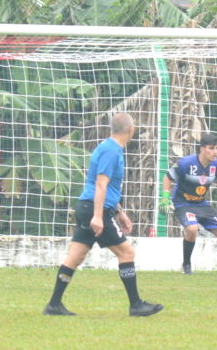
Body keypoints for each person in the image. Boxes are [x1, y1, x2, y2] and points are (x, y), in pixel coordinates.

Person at [43, 113, 163, 317]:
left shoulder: (106, 147)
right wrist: (98, 216)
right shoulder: (111, 151)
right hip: (94, 209)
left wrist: (120, 213)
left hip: (87, 207)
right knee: (127, 253)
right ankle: (136, 305)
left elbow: (107, 188)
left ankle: (54, 304)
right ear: (130, 130)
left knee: (75, 256)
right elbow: (101, 184)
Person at [161, 133, 217, 275]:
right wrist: (165, 196)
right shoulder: (186, 163)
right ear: (202, 149)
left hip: (201, 204)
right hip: (182, 203)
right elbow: (167, 177)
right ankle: (186, 266)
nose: (215, 152)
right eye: (211, 148)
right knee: (192, 229)